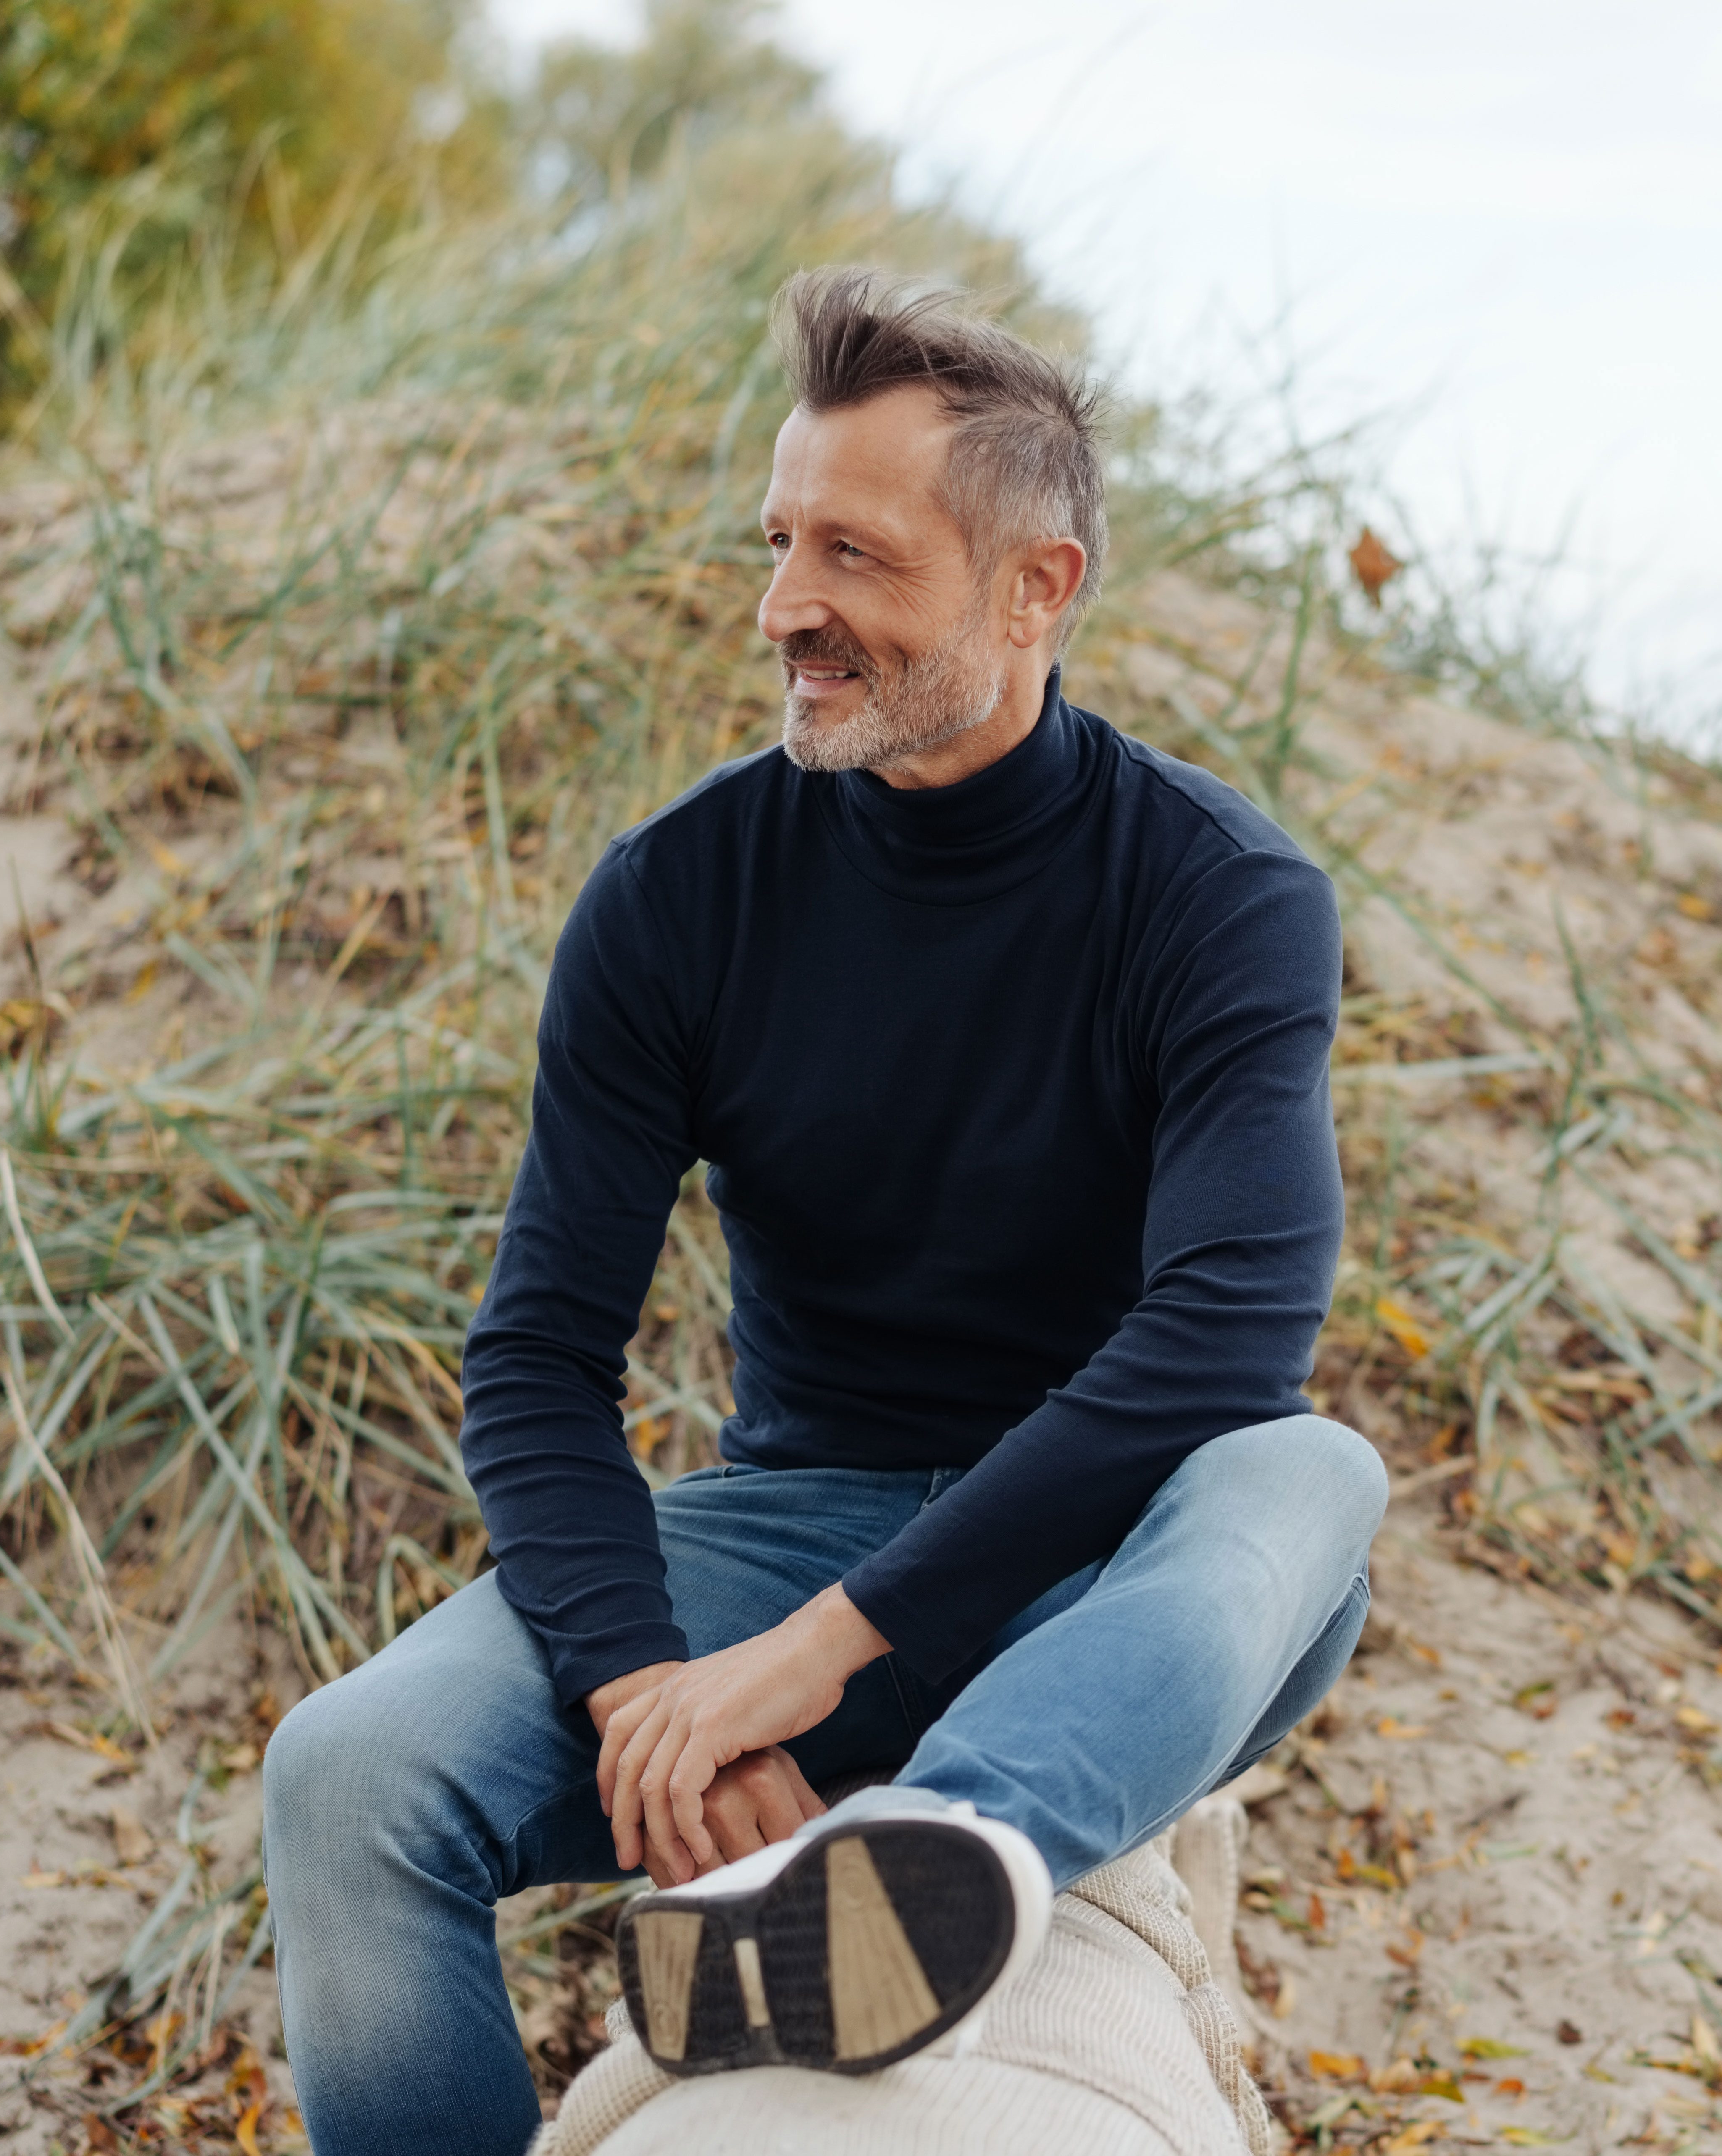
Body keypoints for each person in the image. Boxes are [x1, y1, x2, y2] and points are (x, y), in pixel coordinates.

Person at [262, 266, 1387, 2156]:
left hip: (1114, 1560)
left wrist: (815, 1662)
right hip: (793, 1518)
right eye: (780, 544)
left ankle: (938, 1864)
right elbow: (538, 1358)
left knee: (1309, 1473)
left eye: (854, 556)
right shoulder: (678, 897)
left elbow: (1220, 1341)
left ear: (1039, 587)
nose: (788, 608)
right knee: (345, 1772)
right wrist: (645, 1690)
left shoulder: (1220, 898)